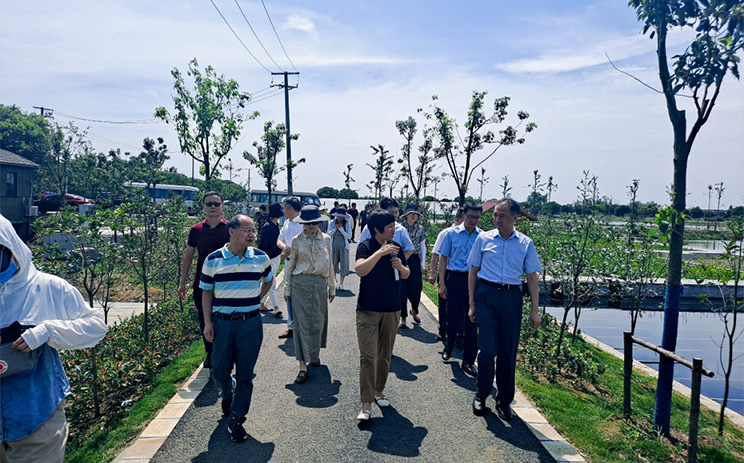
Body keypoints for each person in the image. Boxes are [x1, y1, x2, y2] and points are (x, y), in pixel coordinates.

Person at [0, 213, 107, 462]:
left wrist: (47, 331)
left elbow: (95, 327)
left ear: (12, 248)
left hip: (36, 417)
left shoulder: (46, 288)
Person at [201, 214, 273, 443]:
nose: (252, 234)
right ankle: (227, 390)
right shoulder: (214, 259)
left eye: (253, 230)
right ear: (231, 232)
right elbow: (206, 292)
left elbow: (269, 279)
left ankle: (237, 419)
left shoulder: (261, 257)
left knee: (245, 374)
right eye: (246, 230)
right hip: (223, 323)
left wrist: (257, 297)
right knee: (219, 371)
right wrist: (208, 323)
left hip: (251, 324)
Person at [468, 199, 542, 420]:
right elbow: (473, 272)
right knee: (488, 349)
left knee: (508, 352)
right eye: (495, 215)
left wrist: (535, 311)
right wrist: (471, 304)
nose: (496, 219)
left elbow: (531, 277)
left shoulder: (526, 244)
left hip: (511, 297)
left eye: (501, 215)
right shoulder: (483, 239)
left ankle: (504, 400)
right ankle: (481, 394)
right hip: (486, 295)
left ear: (515, 218)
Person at [354, 209, 410, 421]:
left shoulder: (397, 248)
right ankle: (366, 403)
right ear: (377, 229)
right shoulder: (366, 246)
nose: (393, 230)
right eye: (390, 227)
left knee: (385, 355)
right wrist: (380, 253)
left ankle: (379, 391)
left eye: (394, 227)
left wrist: (400, 266)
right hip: (368, 309)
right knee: (368, 356)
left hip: (392, 308)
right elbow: (360, 269)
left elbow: (406, 274)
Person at [283, 206, 336, 384]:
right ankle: (302, 366)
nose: (311, 226)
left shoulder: (327, 239)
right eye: (307, 223)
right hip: (301, 284)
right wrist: (287, 289)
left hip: (320, 284)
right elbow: (290, 265)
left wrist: (332, 286)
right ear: (303, 224)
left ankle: (314, 354)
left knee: (318, 322)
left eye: (314, 222)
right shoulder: (297, 240)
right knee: (300, 325)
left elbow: (329, 265)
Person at [178, 192, 230, 368]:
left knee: (226, 319)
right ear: (203, 207)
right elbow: (189, 256)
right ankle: (210, 353)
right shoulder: (196, 230)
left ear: (222, 206)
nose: (213, 207)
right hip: (202, 282)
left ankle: (227, 353)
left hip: (227, 283)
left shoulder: (230, 228)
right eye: (209, 204)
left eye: (216, 204)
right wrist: (182, 282)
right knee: (204, 318)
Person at [438, 202, 483, 378]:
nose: (473, 220)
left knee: (472, 320)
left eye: (477, 217)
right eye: (470, 216)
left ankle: (468, 360)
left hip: (475, 280)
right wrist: (442, 283)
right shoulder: (451, 234)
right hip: (455, 278)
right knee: (452, 316)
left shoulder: (482, 237)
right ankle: (449, 346)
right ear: (463, 215)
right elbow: (443, 259)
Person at [428, 208, 464, 341]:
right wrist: (433, 273)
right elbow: (436, 254)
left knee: (461, 306)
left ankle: (459, 333)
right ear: (458, 220)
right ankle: (442, 329)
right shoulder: (446, 233)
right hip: (447, 273)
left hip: (463, 275)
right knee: (444, 304)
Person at [276, 197, 304, 339]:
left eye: (284, 207)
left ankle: (302, 326)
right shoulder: (286, 223)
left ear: (291, 209)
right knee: (288, 294)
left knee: (301, 295)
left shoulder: (303, 223)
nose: (283, 210)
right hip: (288, 263)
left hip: (301, 265)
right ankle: (291, 326)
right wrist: (284, 247)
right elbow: (279, 240)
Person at [399, 204, 427, 328]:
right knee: (402, 289)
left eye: (415, 214)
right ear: (405, 215)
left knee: (416, 288)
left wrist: (423, 263)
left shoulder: (420, 229)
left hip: (414, 259)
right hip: (402, 258)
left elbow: (422, 246)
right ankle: (403, 317)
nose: (413, 216)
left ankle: (414, 309)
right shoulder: (400, 228)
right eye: (410, 213)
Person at [257, 202, 284, 317]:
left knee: (269, 281)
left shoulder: (275, 225)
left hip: (276, 256)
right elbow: (262, 246)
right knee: (271, 282)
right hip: (269, 258)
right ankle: (276, 306)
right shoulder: (267, 227)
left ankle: (261, 303)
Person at [328, 206, 352, 291]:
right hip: (333, 244)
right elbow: (328, 234)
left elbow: (349, 236)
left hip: (343, 245)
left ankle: (341, 284)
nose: (340, 218)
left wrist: (341, 229)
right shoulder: (332, 222)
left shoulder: (347, 223)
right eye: (338, 216)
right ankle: (334, 281)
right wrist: (335, 229)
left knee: (344, 264)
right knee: (333, 263)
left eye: (341, 216)